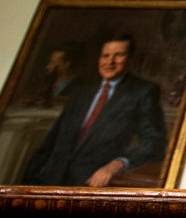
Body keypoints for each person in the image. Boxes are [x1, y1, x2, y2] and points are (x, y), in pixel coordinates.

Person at [22, 32, 167, 188]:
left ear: (130, 59)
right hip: (51, 180)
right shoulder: (80, 92)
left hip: (94, 183)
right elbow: (52, 141)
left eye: (118, 55)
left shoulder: (143, 92)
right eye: (105, 56)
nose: (110, 62)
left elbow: (155, 141)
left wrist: (117, 165)